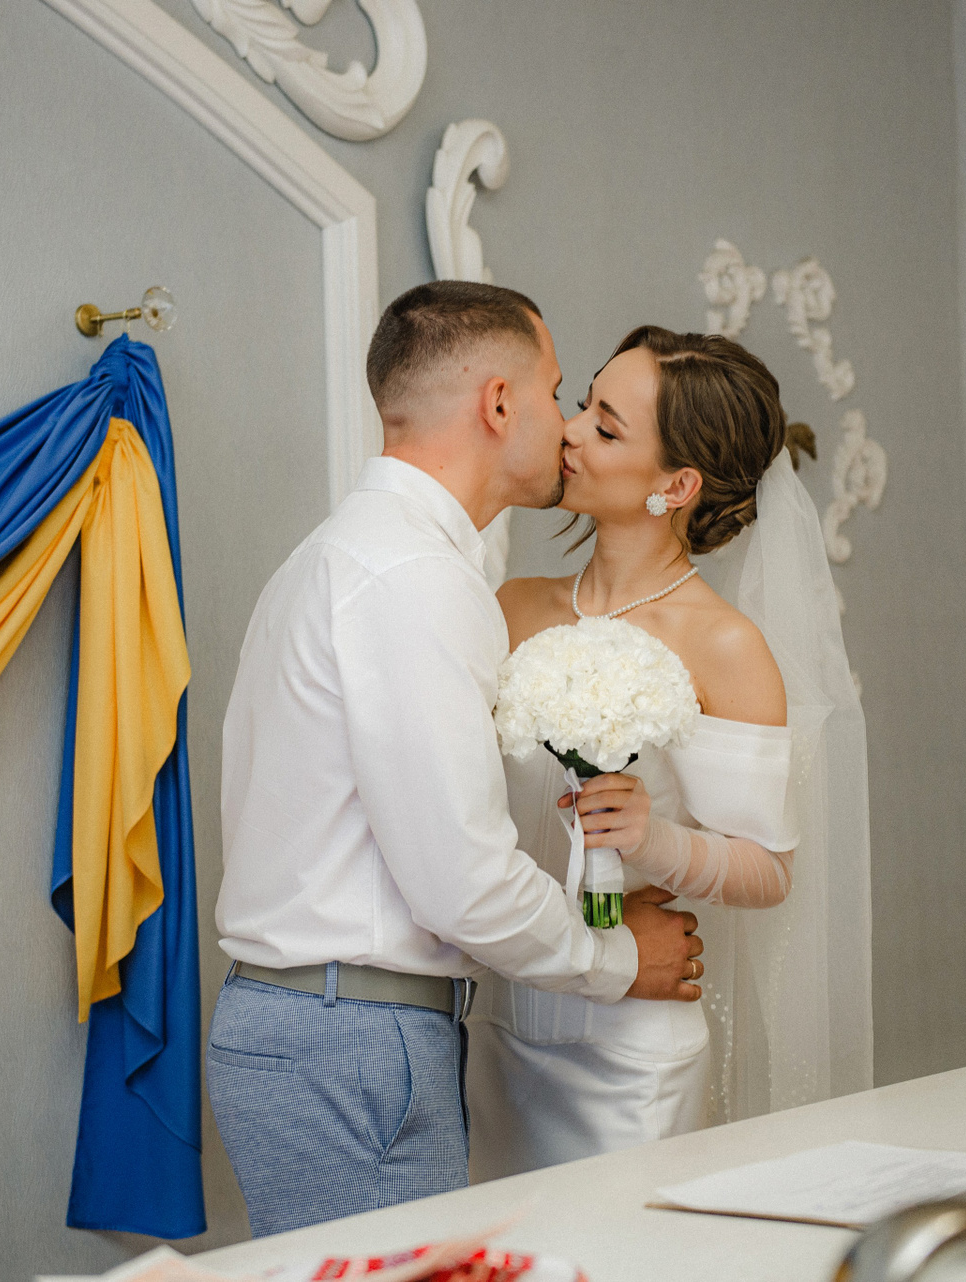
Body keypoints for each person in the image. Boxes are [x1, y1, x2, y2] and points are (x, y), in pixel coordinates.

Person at [211, 284, 705, 1237]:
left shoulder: (339, 553)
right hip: (354, 1041)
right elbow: (463, 882)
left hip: (312, 1025)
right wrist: (616, 958)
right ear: (499, 404)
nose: (565, 424)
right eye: (556, 392)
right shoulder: (416, 579)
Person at [465, 325, 869, 1177]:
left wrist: (652, 841)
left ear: (675, 486)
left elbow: (768, 870)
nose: (570, 431)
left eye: (606, 428)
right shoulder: (512, 606)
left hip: (628, 1052)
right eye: (583, 406)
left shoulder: (723, 645)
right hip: (498, 1022)